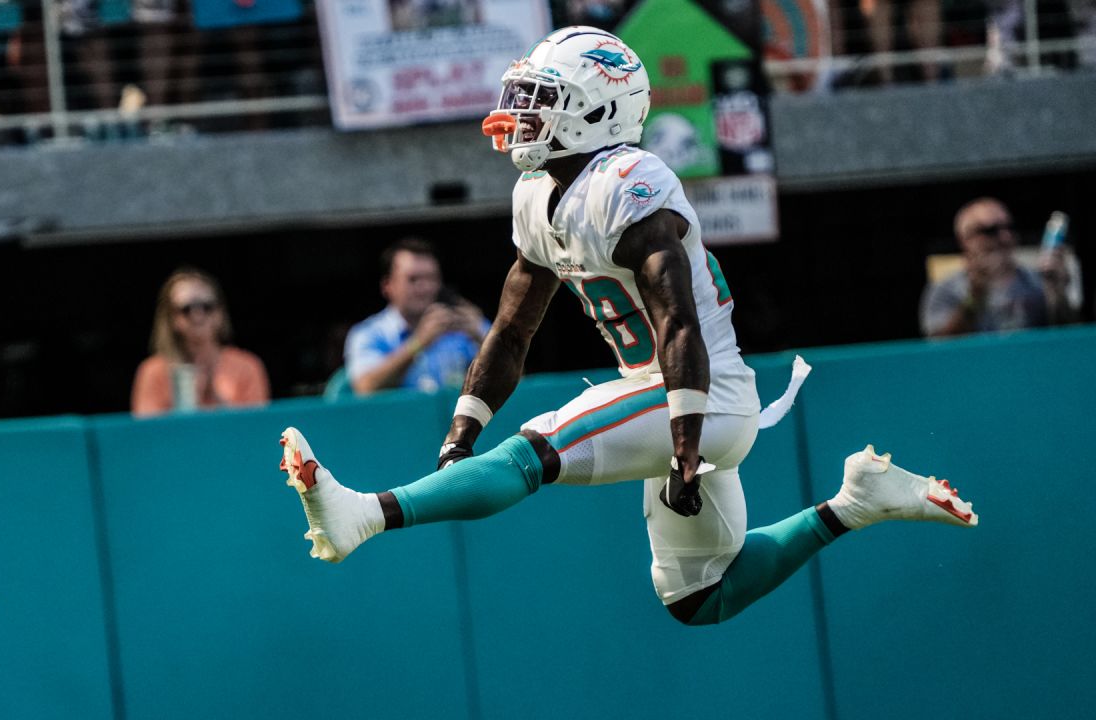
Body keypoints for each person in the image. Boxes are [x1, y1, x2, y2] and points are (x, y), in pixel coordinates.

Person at [277, 27, 977, 627]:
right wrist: (461, 434)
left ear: (596, 111)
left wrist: (685, 444)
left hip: (697, 396)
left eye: (541, 101)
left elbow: (678, 323)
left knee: (536, 452)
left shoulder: (629, 182)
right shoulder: (537, 193)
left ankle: (362, 513)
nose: (519, 116)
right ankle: (856, 504)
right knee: (699, 596)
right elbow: (512, 332)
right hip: (670, 399)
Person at [344, 238, 488, 395]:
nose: (424, 288)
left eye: (431, 278)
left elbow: (513, 370)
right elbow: (365, 387)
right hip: (399, 418)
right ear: (387, 285)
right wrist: (418, 342)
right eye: (413, 279)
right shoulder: (368, 333)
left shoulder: (462, 323)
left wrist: (481, 335)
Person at [921, 197, 1078, 337]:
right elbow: (939, 345)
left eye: (1009, 227)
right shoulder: (946, 289)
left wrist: (1058, 295)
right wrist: (975, 298)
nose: (1005, 237)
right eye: (990, 231)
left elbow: (1071, 338)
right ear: (965, 240)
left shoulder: (1038, 282)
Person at [132, 267, 269, 415]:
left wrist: (215, 399)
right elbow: (147, 431)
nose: (197, 315)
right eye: (186, 309)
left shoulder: (247, 366)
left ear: (220, 313)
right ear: (171, 318)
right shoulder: (153, 372)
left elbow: (254, 427)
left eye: (207, 307)